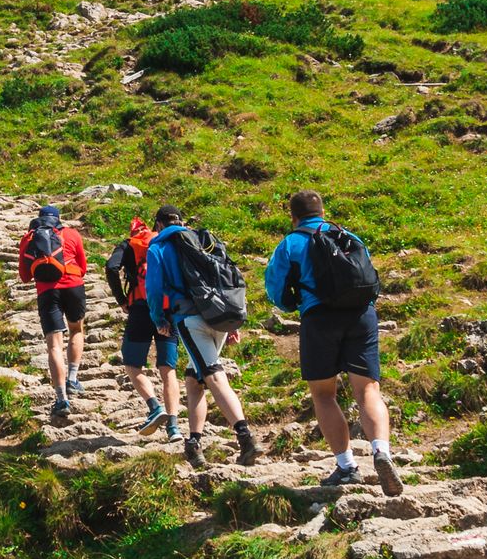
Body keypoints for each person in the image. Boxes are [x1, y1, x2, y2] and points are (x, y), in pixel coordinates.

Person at [263, 190, 402, 495]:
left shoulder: (291, 243)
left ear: (293, 217)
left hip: (319, 317)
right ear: (323, 212)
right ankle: (382, 452)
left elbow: (275, 289)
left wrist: (292, 304)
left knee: (324, 394)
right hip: (362, 315)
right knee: (367, 389)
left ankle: (347, 466)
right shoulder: (348, 234)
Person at [144, 205, 260, 467]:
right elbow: (225, 278)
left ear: (159, 225)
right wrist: (230, 323)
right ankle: (194, 444)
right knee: (193, 380)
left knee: (213, 375)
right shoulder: (203, 241)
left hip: (189, 319)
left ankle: (246, 437)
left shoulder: (158, 247)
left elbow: (152, 288)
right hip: (219, 315)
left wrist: (159, 319)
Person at [105, 215, 180, 441]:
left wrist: (121, 299)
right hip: (168, 309)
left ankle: (155, 406)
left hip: (139, 308)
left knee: (132, 364)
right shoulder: (164, 243)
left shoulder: (129, 244)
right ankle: (174, 427)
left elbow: (111, 267)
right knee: (168, 369)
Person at [19, 204, 87, 416]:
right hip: (74, 286)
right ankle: (73, 379)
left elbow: (24, 276)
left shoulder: (29, 238)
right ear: (58, 219)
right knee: (76, 330)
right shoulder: (72, 234)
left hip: (47, 292)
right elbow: (83, 267)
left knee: (54, 346)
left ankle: (61, 399)